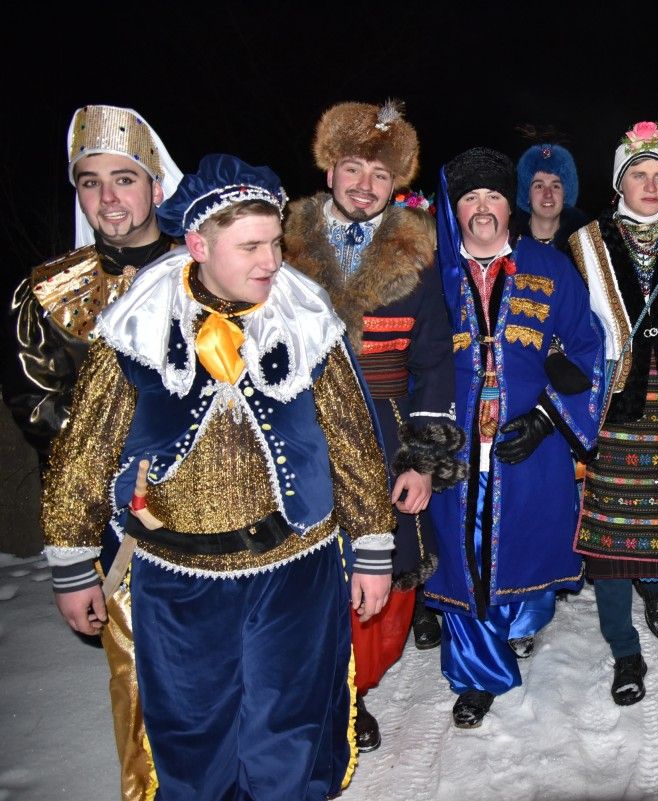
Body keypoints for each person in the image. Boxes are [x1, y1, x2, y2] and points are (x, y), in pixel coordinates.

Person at [41, 154, 397, 799]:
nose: (272, 261)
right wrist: (71, 563)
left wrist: (372, 550)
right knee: (191, 732)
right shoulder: (138, 322)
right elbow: (85, 448)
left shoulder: (304, 314)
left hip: (296, 566)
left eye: (276, 242)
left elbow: (351, 439)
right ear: (199, 245)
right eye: (251, 247)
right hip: (176, 577)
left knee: (288, 725)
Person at [0, 104, 180, 801]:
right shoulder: (50, 292)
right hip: (118, 519)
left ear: (155, 186)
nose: (107, 198)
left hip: (224, 512)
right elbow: (41, 413)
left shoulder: (209, 267)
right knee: (140, 671)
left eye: (123, 178)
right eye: (89, 181)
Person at [283, 100, 463, 752]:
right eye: (354, 168)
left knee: (382, 575)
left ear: (397, 184)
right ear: (329, 168)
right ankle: (314, 688)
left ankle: (356, 686)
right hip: (296, 430)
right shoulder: (279, 244)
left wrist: (422, 459)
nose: (365, 185)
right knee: (300, 574)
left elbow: (434, 362)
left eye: (380, 174)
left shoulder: (419, 254)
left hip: (386, 433)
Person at [427, 147, 605, 728]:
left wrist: (548, 418)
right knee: (462, 551)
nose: (482, 208)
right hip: (453, 444)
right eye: (470, 198)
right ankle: (477, 672)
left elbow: (588, 348)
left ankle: (519, 620)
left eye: (494, 196)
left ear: (512, 206)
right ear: (456, 209)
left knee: (524, 544)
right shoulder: (433, 275)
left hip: (529, 444)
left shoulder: (551, 268)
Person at [568, 121, 658, 706]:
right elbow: (567, 326)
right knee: (611, 535)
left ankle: (655, 591)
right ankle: (624, 648)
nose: (650, 185)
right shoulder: (583, 244)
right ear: (619, 183)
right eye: (638, 174)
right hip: (615, 404)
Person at [511, 143, 589, 253]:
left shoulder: (585, 251)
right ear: (527, 195)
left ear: (565, 195)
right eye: (539, 186)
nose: (548, 194)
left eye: (555, 186)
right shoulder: (508, 248)